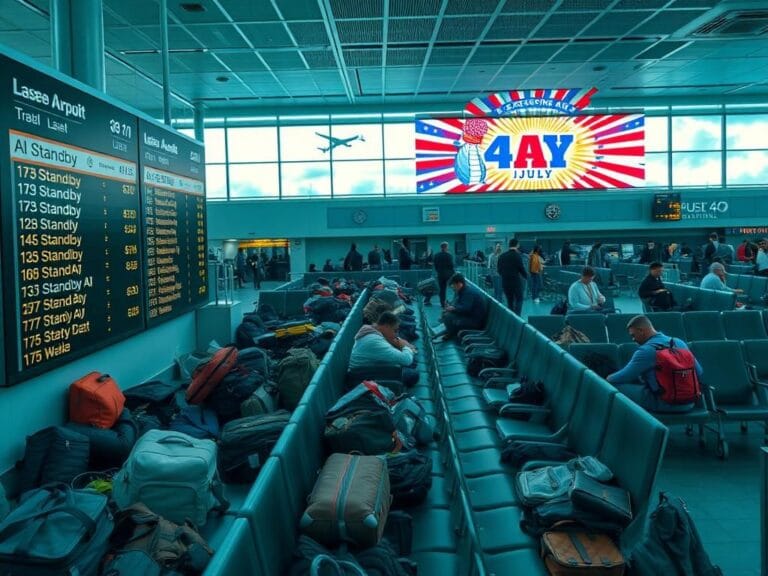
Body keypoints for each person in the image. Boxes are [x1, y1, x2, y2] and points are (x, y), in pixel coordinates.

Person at [607, 315, 702, 413]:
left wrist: (607, 378)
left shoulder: (646, 351)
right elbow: (699, 372)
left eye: (633, 335)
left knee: (612, 387)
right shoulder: (679, 342)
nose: (633, 339)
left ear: (641, 330)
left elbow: (623, 376)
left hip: (664, 403)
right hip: (689, 403)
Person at [349, 311, 419, 387]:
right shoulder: (375, 341)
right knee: (412, 374)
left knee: (412, 362)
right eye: (395, 330)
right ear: (386, 326)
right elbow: (406, 360)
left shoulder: (371, 330)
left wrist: (399, 344)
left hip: (367, 368)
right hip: (361, 376)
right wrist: (405, 346)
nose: (396, 334)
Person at [440, 273, 487, 341]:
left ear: (459, 284)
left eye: (453, 285)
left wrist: (453, 308)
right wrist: (452, 307)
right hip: (470, 317)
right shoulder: (464, 290)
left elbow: (465, 308)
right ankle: (450, 331)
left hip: (475, 322)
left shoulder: (468, 293)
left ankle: (451, 334)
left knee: (447, 317)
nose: (452, 287)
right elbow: (461, 306)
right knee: (446, 314)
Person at [497, 238, 528, 315]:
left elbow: (499, 270)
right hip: (515, 282)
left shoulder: (502, 256)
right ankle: (517, 316)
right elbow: (521, 269)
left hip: (505, 282)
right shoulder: (517, 256)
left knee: (509, 300)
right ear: (517, 245)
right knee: (519, 299)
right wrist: (527, 277)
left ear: (509, 245)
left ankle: (512, 317)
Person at [432, 241, 455, 308]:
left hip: (440, 275)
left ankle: (442, 303)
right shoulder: (449, 255)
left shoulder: (436, 255)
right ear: (446, 247)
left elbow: (435, 266)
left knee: (442, 290)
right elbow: (451, 266)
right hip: (449, 275)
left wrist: (439, 271)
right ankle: (454, 302)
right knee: (454, 288)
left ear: (441, 247)